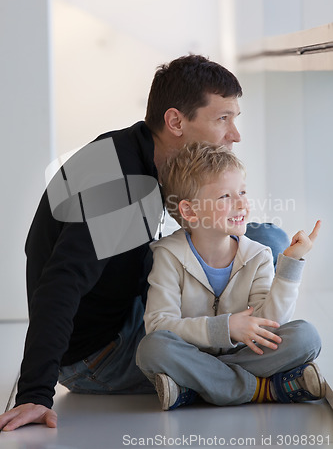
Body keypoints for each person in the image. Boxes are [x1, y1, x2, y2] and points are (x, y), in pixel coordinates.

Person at [0, 55, 288, 431]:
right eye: (223, 119)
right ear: (175, 121)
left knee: (264, 239)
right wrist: (35, 393)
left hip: (126, 307)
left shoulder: (137, 152)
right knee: (263, 249)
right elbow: (62, 280)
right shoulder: (122, 188)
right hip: (98, 356)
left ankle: (234, 343)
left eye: (235, 119)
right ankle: (251, 377)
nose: (235, 134)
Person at [136, 142, 324, 410]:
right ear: (190, 211)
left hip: (241, 355)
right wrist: (224, 329)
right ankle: (262, 389)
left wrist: (291, 263)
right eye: (225, 196)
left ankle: (196, 387)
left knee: (307, 336)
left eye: (243, 192)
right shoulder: (168, 254)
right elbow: (158, 325)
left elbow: (270, 325)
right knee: (151, 349)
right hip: (191, 353)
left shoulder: (258, 255)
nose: (242, 204)